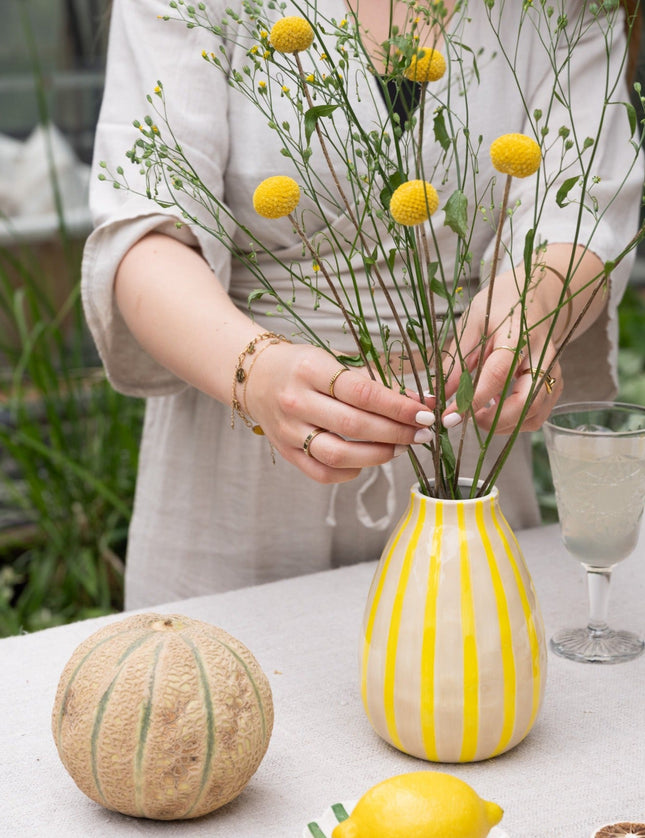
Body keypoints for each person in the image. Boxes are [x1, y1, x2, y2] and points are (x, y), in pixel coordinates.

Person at [82, 0, 644, 609]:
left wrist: (529, 310)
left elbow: (583, 212)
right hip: (238, 456)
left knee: (464, 685)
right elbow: (145, 230)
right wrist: (258, 373)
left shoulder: (567, 10)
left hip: (459, 444)